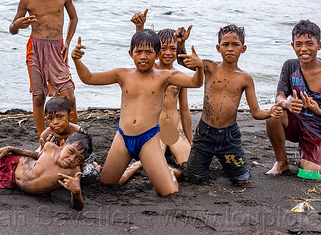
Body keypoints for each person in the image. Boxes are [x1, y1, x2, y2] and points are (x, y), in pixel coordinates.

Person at [71, 27, 204, 196]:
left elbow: (195, 83)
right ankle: (134, 166)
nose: (143, 56)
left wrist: (199, 68)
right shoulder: (122, 74)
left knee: (169, 192)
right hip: (122, 138)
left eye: (148, 52)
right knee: (107, 184)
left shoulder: (165, 76)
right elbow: (88, 78)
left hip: (148, 139)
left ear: (157, 55)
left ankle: (169, 172)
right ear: (130, 53)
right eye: (138, 51)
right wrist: (77, 60)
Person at [176, 24, 282, 184]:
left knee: (241, 181)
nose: (230, 48)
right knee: (192, 178)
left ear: (243, 48)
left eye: (235, 44)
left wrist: (270, 112)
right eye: (225, 44)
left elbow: (256, 112)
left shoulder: (245, 78)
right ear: (218, 48)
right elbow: (183, 61)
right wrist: (181, 44)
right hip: (205, 134)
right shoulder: (210, 67)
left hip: (229, 137)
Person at [9, 0, 78, 139]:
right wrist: (17, 25)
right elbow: (12, 28)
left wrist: (68, 42)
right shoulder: (27, 0)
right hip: (36, 49)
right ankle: (43, 140)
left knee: (68, 96)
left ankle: (74, 140)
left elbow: (73, 17)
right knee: (39, 97)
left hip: (57, 48)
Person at [265, 20, 321, 176]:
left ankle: (311, 153)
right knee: (274, 113)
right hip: (294, 122)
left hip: (318, 128)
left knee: (310, 174)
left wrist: (319, 111)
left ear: (319, 45)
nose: (304, 49)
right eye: (298, 44)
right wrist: (287, 103)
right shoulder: (290, 66)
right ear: (292, 45)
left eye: (309, 44)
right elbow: (279, 95)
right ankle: (282, 162)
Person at [120, 10, 193, 184]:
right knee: (151, 161)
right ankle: (140, 165)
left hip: (174, 129)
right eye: (163, 48)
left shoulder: (179, 75)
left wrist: (191, 140)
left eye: (173, 49)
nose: (168, 53)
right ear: (156, 50)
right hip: (154, 132)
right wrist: (140, 27)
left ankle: (168, 165)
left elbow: (184, 109)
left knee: (189, 167)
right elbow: (140, 51)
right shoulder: (151, 72)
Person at [39, 96, 101, 184]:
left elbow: (85, 152)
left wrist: (82, 164)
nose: (55, 122)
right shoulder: (46, 135)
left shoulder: (78, 131)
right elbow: (42, 157)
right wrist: (46, 147)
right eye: (50, 119)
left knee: (88, 176)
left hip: (79, 159)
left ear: (70, 116)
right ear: (46, 120)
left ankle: (96, 167)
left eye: (60, 117)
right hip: (62, 160)